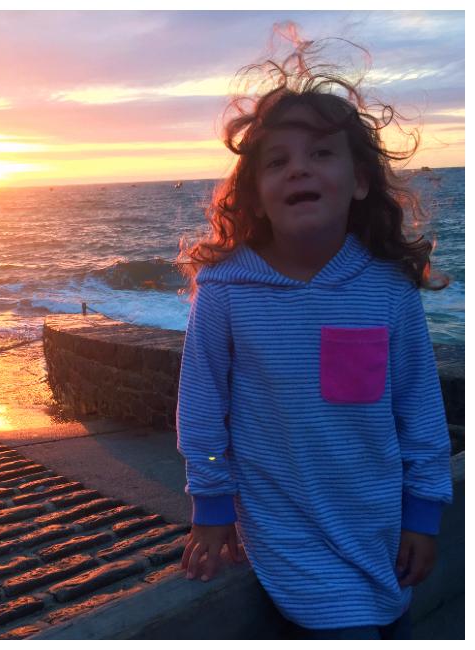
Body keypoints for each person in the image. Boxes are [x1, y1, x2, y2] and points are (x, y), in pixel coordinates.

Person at [175, 34, 453, 640]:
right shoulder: (225, 290)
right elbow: (201, 409)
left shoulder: (387, 289)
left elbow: (418, 408)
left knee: (389, 620)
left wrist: (423, 513)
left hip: (377, 520)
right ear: (256, 195)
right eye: (277, 161)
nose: (298, 168)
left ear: (358, 182)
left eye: (320, 153)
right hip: (284, 523)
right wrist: (213, 509)